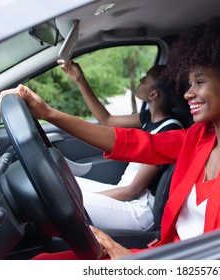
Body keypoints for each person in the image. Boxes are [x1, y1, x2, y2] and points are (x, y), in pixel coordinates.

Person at [0, 15, 220, 260]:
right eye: (189, 83)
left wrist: (131, 263)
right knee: (43, 262)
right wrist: (49, 113)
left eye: (199, 82)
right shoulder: (198, 137)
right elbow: (128, 143)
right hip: (162, 256)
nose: (188, 93)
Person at [59, 63, 184, 231]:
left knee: (64, 200)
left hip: (139, 208)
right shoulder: (148, 118)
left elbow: (133, 190)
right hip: (123, 192)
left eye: (146, 78)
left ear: (154, 94)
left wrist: (88, 199)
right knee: (61, 183)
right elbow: (107, 121)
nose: (141, 79)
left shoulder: (169, 131)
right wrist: (79, 80)